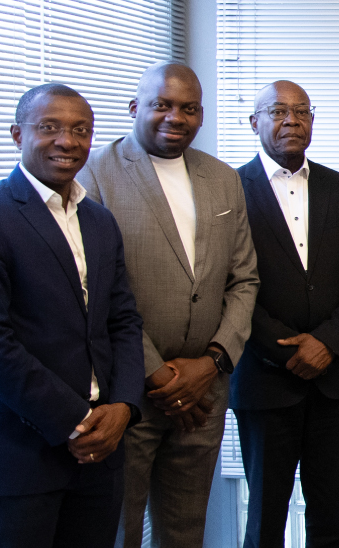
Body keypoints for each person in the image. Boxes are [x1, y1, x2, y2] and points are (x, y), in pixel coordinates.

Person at [0, 84, 145, 547]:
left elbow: (123, 322)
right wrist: (77, 422)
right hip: (16, 456)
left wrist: (123, 407)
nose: (67, 141)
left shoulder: (99, 220)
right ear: (18, 135)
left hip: (100, 456)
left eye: (81, 130)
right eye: (49, 127)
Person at [78, 62, 260, 547]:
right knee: (119, 531)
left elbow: (244, 279)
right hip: (129, 394)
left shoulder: (223, 178)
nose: (175, 117)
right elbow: (94, 292)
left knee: (184, 532)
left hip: (205, 393)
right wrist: (160, 377)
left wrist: (211, 362)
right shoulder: (94, 174)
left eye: (189, 108)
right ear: (134, 107)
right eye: (162, 105)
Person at [232, 81, 339, 547]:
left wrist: (328, 342)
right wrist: (286, 349)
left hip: (333, 374)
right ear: (254, 122)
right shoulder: (229, 190)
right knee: (266, 515)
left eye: (301, 111)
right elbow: (227, 282)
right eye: (277, 111)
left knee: (332, 511)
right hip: (264, 375)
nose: (291, 120)